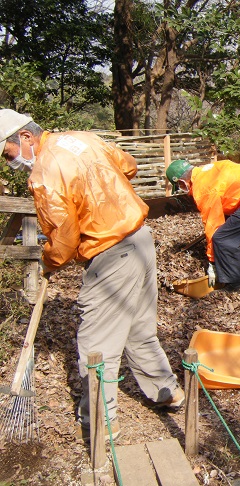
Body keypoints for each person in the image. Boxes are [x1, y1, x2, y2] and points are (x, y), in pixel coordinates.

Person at [0, 109, 184, 440]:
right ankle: (167, 392)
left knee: (95, 342)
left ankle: (100, 424)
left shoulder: (44, 172)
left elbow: (64, 234)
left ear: (25, 137)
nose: (9, 161)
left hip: (111, 252)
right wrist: (106, 195)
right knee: (138, 329)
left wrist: (50, 261)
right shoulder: (82, 139)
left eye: (7, 153)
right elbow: (128, 165)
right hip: (140, 239)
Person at [166, 158, 240, 293]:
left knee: (223, 239)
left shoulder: (202, 187)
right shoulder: (209, 170)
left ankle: (233, 285)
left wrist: (213, 261)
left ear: (182, 182)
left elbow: (213, 226)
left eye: (180, 187)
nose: (184, 191)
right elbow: (229, 199)